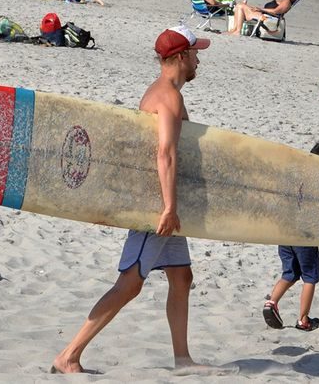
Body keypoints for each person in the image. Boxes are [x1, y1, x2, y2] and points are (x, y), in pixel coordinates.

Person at [51, 25, 210, 375]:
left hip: (167, 203)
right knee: (130, 283)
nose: (199, 59)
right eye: (196, 53)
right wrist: (169, 208)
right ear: (181, 56)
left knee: (181, 277)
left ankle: (182, 359)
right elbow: (164, 153)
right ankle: (69, 355)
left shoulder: (163, 91)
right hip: (156, 206)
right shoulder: (168, 96)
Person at [261, 141, 319, 332]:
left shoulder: (294, 177)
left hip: (285, 233)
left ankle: (271, 303)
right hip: (304, 237)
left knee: (289, 273)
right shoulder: (318, 186)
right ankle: (303, 320)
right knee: (310, 277)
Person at [227, 0, 302, 35]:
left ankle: (237, 31)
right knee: (240, 5)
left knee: (240, 6)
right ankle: (234, 30)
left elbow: (275, 11)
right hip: (264, 16)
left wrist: (260, 9)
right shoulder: (283, 1)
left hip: (266, 19)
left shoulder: (286, 2)